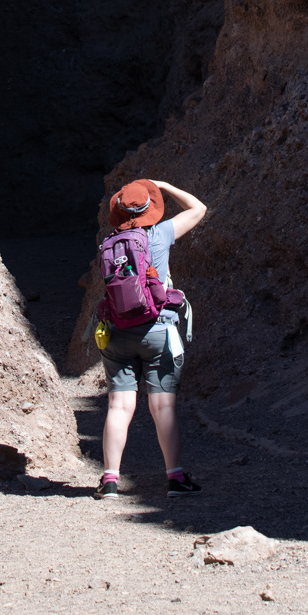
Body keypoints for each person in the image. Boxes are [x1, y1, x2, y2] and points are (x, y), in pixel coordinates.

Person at [95, 176, 208, 500]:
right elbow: (198, 209)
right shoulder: (160, 234)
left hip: (117, 331)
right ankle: (176, 479)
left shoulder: (110, 242)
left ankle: (110, 480)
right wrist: (165, 187)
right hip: (159, 330)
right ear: (150, 210)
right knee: (163, 407)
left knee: (119, 406)